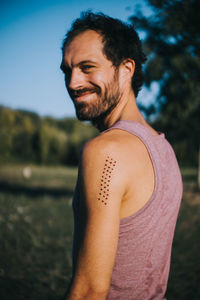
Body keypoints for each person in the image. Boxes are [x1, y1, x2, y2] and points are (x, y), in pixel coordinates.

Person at [60, 11, 183, 300]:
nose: (73, 83)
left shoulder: (105, 151)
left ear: (126, 69)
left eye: (87, 67)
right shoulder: (163, 148)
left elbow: (90, 291)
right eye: (67, 71)